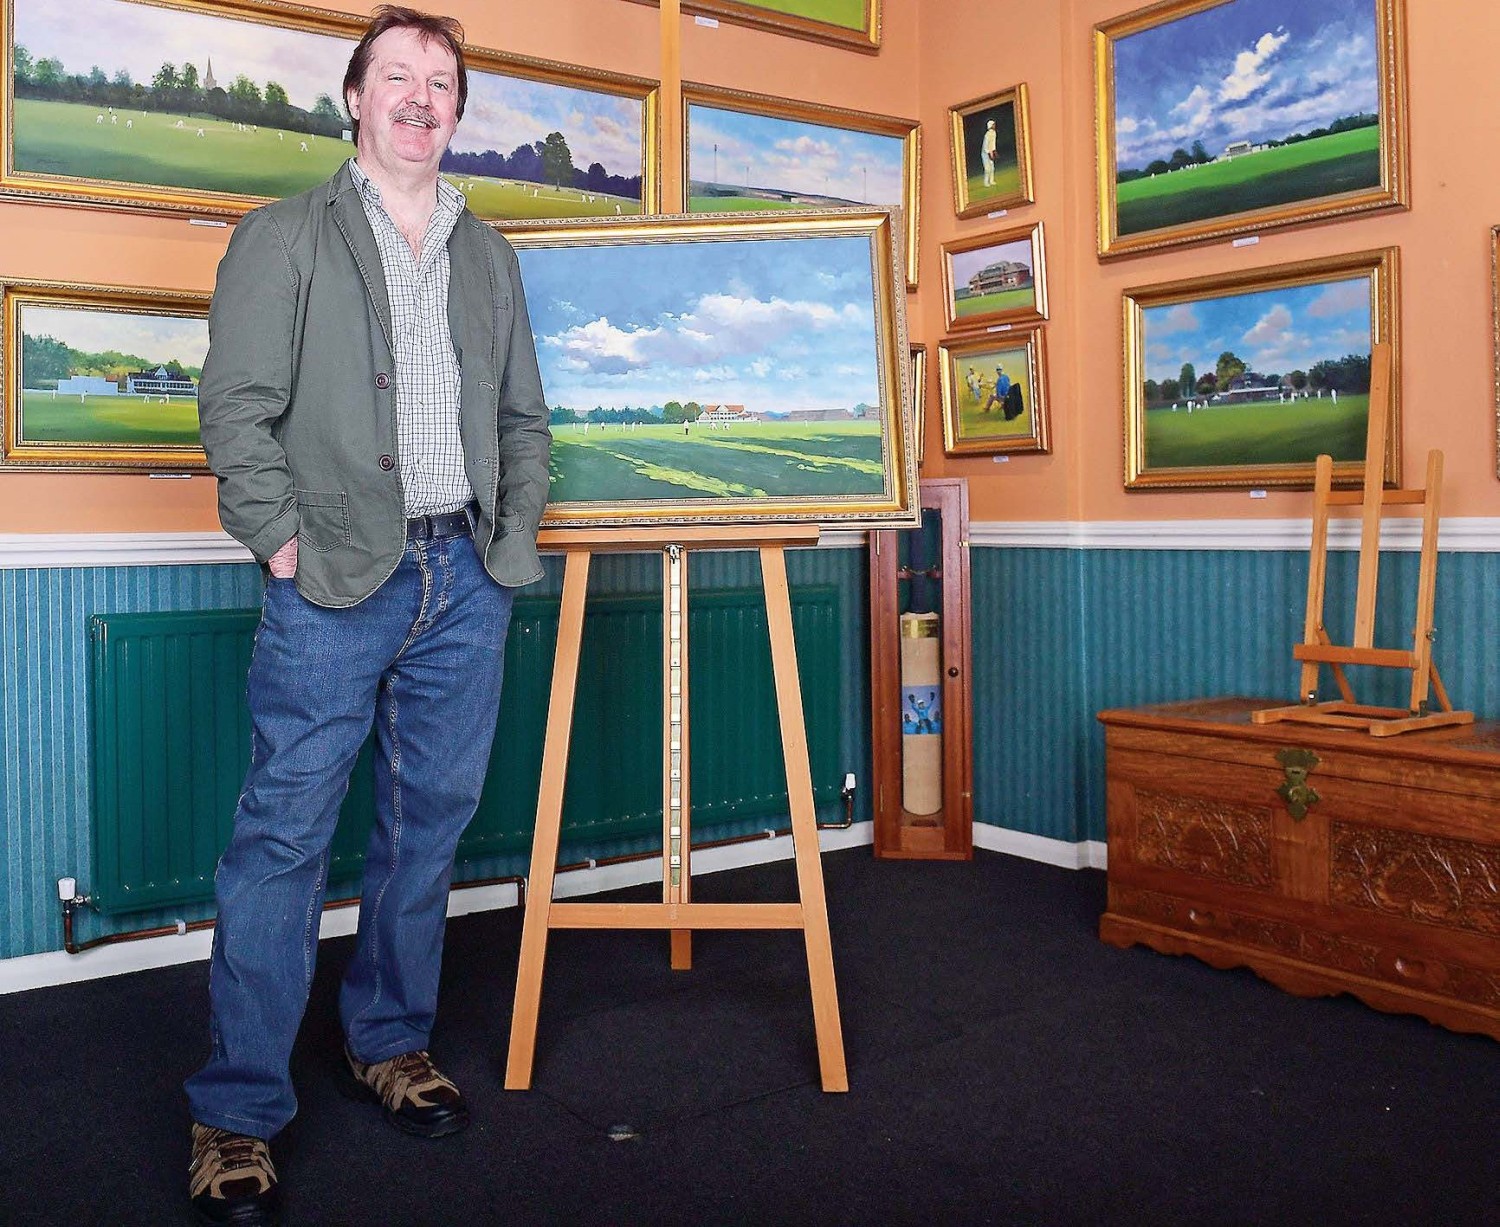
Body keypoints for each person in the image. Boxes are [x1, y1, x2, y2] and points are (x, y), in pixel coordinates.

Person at [183, 8, 550, 1225]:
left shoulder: (488, 255)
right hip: (331, 580)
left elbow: (523, 420)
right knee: (283, 837)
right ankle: (236, 1111)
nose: (419, 96)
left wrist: (509, 541)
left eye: (440, 80)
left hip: (467, 580)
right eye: (397, 74)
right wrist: (279, 538)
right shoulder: (284, 236)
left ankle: (386, 1040)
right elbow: (234, 406)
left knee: (425, 826)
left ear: (457, 108)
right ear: (355, 97)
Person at [981, 118, 998, 188]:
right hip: (985, 154)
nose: (994, 125)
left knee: (992, 168)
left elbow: (993, 143)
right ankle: (986, 183)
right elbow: (985, 146)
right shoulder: (987, 134)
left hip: (990, 152)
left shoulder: (994, 133)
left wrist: (994, 151)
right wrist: (989, 153)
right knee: (987, 169)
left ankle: (991, 181)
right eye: (993, 124)